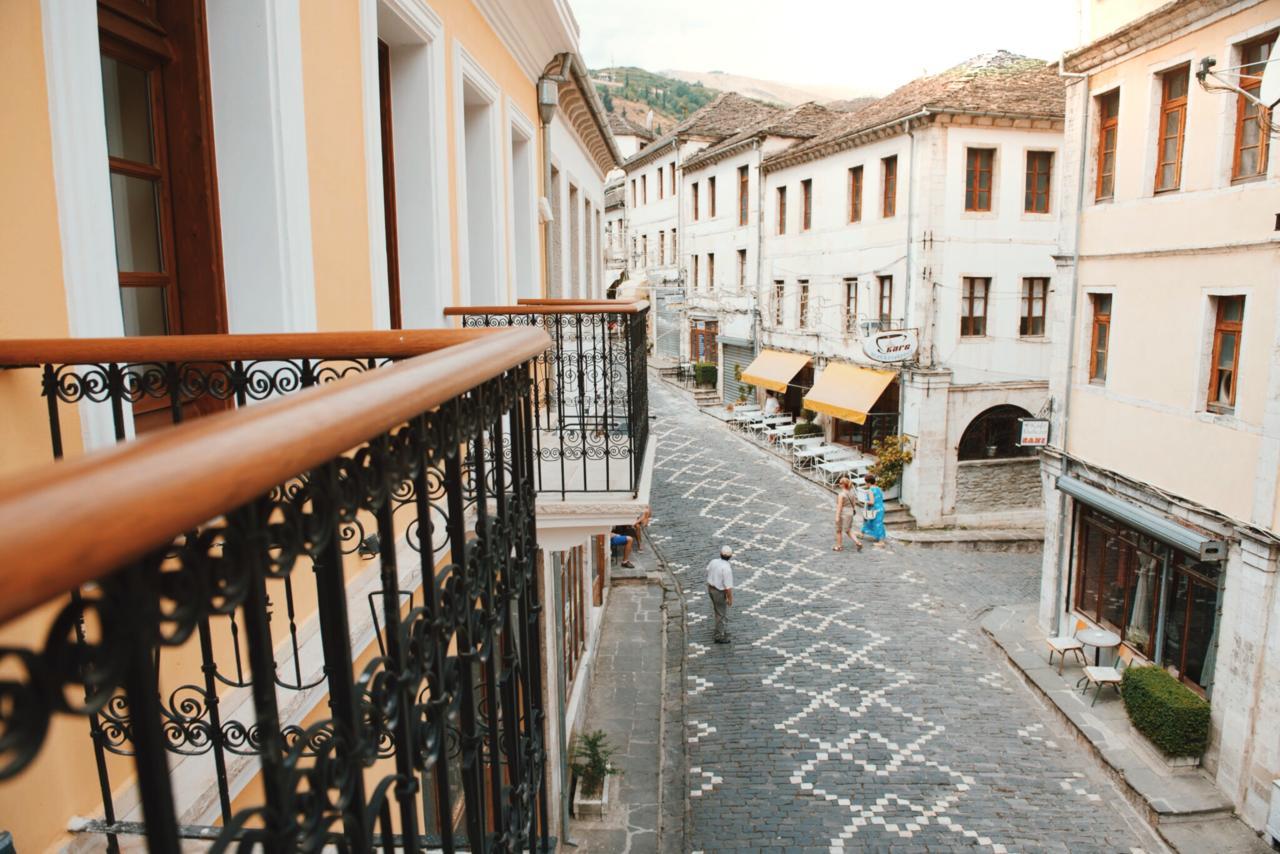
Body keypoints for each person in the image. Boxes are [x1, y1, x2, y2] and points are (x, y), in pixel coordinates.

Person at [705, 545, 735, 643]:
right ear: (730, 556)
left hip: (710, 588)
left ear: (720, 554)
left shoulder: (713, 561)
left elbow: (708, 569)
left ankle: (720, 629)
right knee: (721, 613)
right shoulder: (727, 569)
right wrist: (730, 599)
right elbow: (728, 587)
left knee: (717, 610)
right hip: (719, 592)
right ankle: (719, 636)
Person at [833, 477, 863, 552]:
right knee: (848, 530)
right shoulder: (852, 493)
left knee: (838, 530)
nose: (839, 484)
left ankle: (839, 546)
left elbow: (839, 507)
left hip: (843, 513)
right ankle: (858, 542)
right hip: (850, 512)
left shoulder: (841, 494)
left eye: (840, 483)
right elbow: (854, 504)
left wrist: (837, 516)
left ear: (843, 485)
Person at [860, 474, 888, 549]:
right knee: (876, 523)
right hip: (881, 508)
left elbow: (872, 502)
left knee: (877, 524)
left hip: (875, 509)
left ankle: (881, 542)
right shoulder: (878, 488)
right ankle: (863, 534)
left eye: (865, 482)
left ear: (868, 482)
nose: (865, 483)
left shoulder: (870, 490)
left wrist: (865, 501)